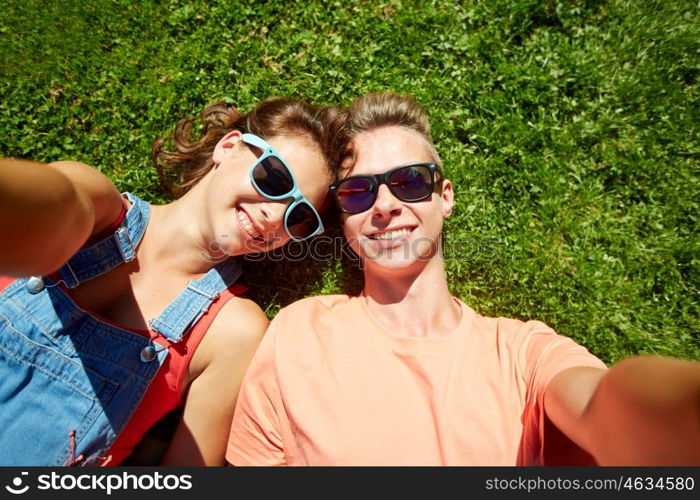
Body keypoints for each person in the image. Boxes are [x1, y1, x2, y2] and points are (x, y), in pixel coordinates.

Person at [226, 92, 700, 466]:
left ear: (445, 197)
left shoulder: (521, 352)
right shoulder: (297, 334)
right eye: (357, 192)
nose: (386, 206)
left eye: (409, 181)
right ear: (343, 219)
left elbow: (605, 403)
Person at [0, 97, 346, 466]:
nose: (275, 215)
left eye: (300, 216)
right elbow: (48, 201)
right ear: (228, 148)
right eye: (274, 178)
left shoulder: (232, 332)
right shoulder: (99, 208)